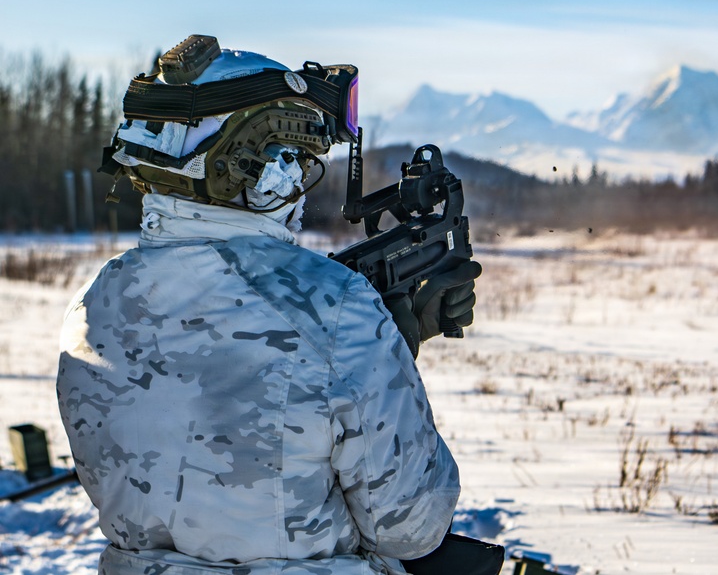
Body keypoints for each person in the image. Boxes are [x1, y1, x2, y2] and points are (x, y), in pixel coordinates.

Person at [56, 36, 483, 575]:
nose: (302, 182)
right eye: (298, 160)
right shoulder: (338, 309)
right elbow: (412, 528)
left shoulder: (92, 305)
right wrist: (384, 357)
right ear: (260, 166)